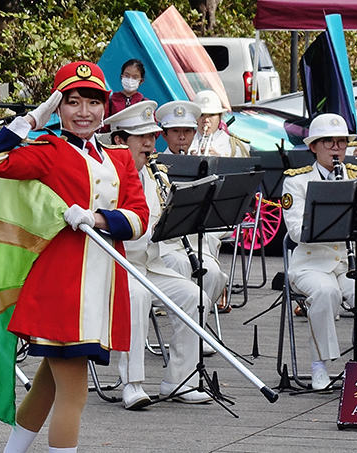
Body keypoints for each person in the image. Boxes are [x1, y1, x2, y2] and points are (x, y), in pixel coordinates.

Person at [0, 61, 149, 452]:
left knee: (49, 386)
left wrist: (99, 218)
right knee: (74, 395)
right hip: (62, 290)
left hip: (100, 290)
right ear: (59, 107)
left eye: (92, 102)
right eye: (72, 102)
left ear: (105, 107)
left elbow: (140, 218)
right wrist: (31, 120)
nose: (84, 112)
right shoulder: (48, 150)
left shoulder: (120, 158)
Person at [103, 101, 213, 407]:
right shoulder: (103, 176)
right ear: (119, 141)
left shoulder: (156, 176)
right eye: (142, 137)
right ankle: (132, 383)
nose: (150, 143)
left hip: (149, 264)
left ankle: (179, 380)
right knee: (136, 297)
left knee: (195, 295)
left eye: (152, 135)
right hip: (116, 266)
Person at [281, 113, 357, 390]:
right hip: (311, 262)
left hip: (351, 259)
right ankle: (319, 365)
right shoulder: (297, 182)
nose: (337, 148)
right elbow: (293, 231)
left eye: (341, 142)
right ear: (314, 146)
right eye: (328, 142)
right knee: (326, 293)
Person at [156, 100, 229, 312]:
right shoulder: (154, 165)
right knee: (178, 265)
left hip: (198, 242)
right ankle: (184, 331)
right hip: (167, 243)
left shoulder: (204, 165)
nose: (181, 138)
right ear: (164, 135)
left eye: (187, 132)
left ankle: (198, 330)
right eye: (175, 131)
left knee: (214, 274)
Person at [189, 89, 249, 157]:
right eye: (201, 115)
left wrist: (219, 159)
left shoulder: (237, 147)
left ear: (220, 117)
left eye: (211, 115)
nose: (206, 120)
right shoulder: (185, 142)